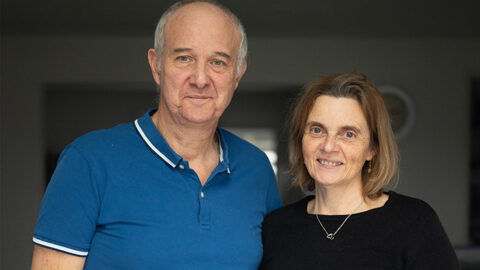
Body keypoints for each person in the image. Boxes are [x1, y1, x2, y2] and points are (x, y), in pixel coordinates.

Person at [31, 1, 282, 269]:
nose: (200, 79)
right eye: (184, 58)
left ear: (238, 74)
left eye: (218, 62)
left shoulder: (256, 168)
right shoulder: (87, 162)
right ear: (156, 65)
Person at [259, 73, 459, 269]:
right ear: (300, 140)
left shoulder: (414, 223)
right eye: (317, 130)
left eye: (348, 134)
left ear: (372, 149)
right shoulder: (276, 227)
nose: (328, 146)